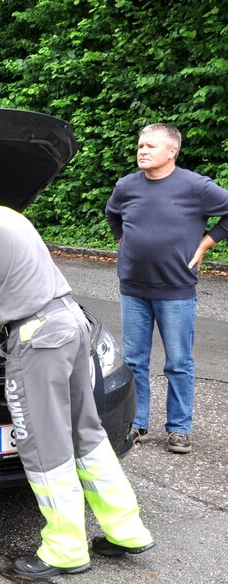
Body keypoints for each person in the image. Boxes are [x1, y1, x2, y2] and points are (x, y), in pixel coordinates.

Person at [0, 164, 154, 578]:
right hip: (71, 323)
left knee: (42, 442)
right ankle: (126, 529)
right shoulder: (3, 215)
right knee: (85, 431)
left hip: (39, 339)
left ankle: (65, 549)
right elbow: (13, 281)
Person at [105, 124, 228, 454]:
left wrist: (204, 245)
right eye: (140, 145)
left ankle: (179, 428)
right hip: (133, 288)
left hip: (176, 289)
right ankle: (138, 422)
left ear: (172, 151)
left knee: (178, 362)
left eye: (150, 146)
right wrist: (124, 241)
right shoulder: (126, 186)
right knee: (134, 360)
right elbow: (112, 214)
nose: (142, 151)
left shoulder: (195, 186)